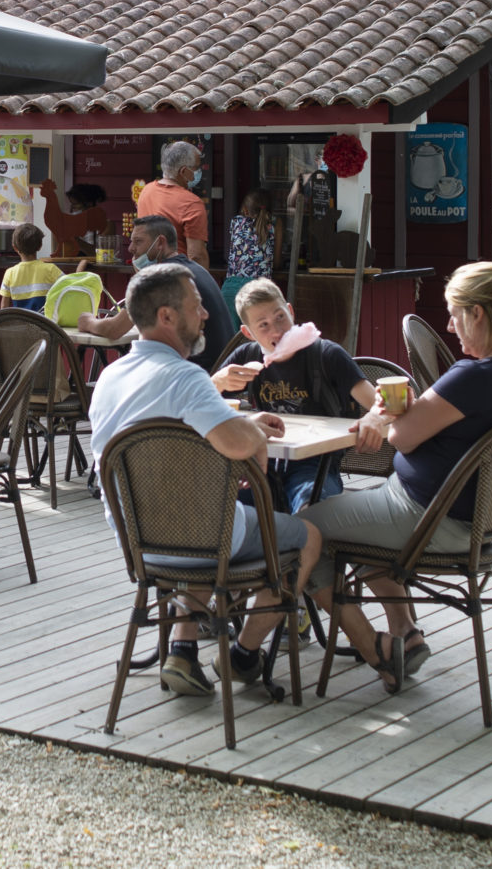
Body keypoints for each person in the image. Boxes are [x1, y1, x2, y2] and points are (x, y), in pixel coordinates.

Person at [296, 262, 492, 693]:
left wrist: (394, 412)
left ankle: (371, 645)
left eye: (454, 314)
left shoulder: (474, 376)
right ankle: (406, 633)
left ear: (478, 314)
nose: (450, 327)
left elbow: (403, 438)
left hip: (428, 519)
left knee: (302, 530)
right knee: (357, 520)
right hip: (479, 524)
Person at [89, 262, 321, 696]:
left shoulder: (109, 376)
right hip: (201, 537)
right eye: (197, 306)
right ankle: (243, 655)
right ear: (167, 317)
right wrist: (253, 430)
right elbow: (237, 445)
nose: (207, 315)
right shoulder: (184, 377)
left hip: (135, 537)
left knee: (204, 517)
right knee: (307, 537)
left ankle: (183, 650)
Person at [212, 278, 377, 510]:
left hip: (316, 464)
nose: (277, 330)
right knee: (223, 506)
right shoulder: (246, 357)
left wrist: (373, 417)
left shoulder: (327, 354)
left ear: (290, 311)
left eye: (280, 317)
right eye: (264, 325)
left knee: (310, 508)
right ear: (248, 333)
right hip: (260, 461)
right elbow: (197, 406)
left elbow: (377, 403)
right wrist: (217, 382)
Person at [75, 215, 234, 371]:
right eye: (131, 242)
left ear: (160, 243)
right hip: (222, 372)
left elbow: (114, 329)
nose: (130, 248)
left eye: (138, 241)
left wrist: (87, 321)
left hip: (198, 378)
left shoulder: (160, 277)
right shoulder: (194, 268)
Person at [135, 141, 209, 265]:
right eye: (196, 167)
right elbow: (196, 255)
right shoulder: (191, 203)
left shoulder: (146, 191)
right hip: (176, 276)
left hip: (147, 273)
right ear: (183, 171)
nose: (199, 171)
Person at [222, 187, 278, 326]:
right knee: (258, 337)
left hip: (231, 287)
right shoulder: (275, 225)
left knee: (230, 340)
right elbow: (277, 262)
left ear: (245, 210)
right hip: (259, 288)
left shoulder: (236, 222)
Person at [0, 223, 61, 311]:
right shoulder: (51, 269)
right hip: (44, 323)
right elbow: (70, 286)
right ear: (40, 246)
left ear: (15, 248)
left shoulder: (10, 273)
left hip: (20, 322)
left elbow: (4, 306)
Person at [39, 179, 108, 257]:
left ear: (89, 203)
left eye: (75, 205)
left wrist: (73, 238)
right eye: (71, 204)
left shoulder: (107, 226)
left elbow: (103, 255)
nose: (72, 209)